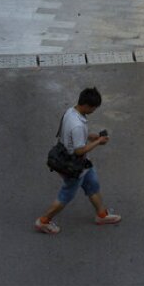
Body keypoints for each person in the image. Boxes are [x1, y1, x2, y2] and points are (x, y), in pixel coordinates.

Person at [35, 86, 121, 234]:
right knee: (66, 195)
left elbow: (71, 136)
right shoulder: (77, 126)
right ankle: (43, 221)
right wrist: (98, 141)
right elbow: (79, 150)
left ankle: (101, 215)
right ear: (86, 105)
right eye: (93, 108)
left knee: (92, 183)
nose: (93, 111)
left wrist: (91, 136)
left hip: (79, 163)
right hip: (73, 165)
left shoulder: (70, 112)